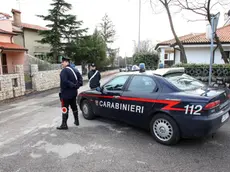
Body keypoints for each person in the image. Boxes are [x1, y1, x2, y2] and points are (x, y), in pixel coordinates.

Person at [57, 56, 83, 130]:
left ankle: (64, 124)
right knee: (74, 106)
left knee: (65, 108)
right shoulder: (75, 70)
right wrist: (77, 86)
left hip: (65, 94)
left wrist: (73, 85)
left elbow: (64, 81)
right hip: (74, 93)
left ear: (66, 62)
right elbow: (80, 79)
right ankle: (77, 121)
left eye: (63, 62)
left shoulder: (64, 71)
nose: (62, 63)